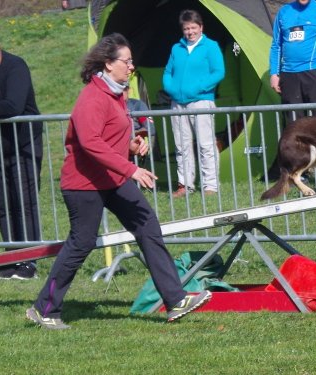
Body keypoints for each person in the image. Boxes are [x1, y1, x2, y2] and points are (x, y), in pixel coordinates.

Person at [26, 33, 211, 329]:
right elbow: (90, 142)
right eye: (127, 61)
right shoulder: (92, 96)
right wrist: (130, 169)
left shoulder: (117, 93)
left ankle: (175, 300)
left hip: (111, 179)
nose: (131, 66)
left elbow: (110, 138)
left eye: (131, 61)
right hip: (83, 183)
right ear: (108, 64)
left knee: (147, 224)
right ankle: (44, 308)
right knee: (81, 242)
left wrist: (131, 145)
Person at [0, 27, 43, 280]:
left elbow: (13, 104)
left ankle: (29, 260)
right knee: (2, 206)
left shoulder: (16, 67)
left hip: (23, 145)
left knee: (23, 203)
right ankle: (10, 259)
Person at [163, 9, 225, 198]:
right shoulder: (176, 48)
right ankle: (185, 184)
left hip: (201, 101)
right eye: (186, 29)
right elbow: (167, 73)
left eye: (193, 28)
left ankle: (210, 186)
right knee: (182, 145)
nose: (190, 32)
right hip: (177, 103)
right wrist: (171, 89)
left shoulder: (211, 46)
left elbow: (218, 72)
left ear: (201, 27)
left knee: (206, 145)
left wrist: (197, 88)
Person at [269, 0, 316, 121]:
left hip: (315, 74)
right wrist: (274, 74)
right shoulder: (283, 12)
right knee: (293, 125)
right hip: (289, 75)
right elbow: (276, 46)